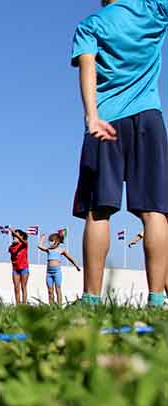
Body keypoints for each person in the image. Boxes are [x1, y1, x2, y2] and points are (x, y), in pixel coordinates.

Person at [71, 0, 168, 307]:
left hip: (106, 119)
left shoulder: (91, 25)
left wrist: (92, 116)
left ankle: (92, 298)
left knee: (98, 210)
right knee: (155, 211)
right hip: (149, 120)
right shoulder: (154, 10)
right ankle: (156, 299)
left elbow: (87, 68)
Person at [39, 232, 81, 305]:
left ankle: (59, 306)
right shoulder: (48, 249)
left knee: (58, 289)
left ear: (57, 241)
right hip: (49, 273)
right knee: (50, 291)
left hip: (57, 272)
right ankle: (51, 306)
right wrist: (42, 239)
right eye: (49, 241)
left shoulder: (61, 250)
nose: (50, 242)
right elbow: (39, 246)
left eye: (52, 240)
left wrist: (76, 265)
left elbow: (69, 258)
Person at [8, 227, 30, 305]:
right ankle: (18, 304)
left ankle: (24, 304)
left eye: (16, 236)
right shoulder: (11, 247)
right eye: (13, 236)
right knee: (16, 287)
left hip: (24, 268)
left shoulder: (24, 244)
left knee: (23, 287)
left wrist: (14, 232)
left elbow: (23, 241)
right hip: (15, 269)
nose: (14, 237)